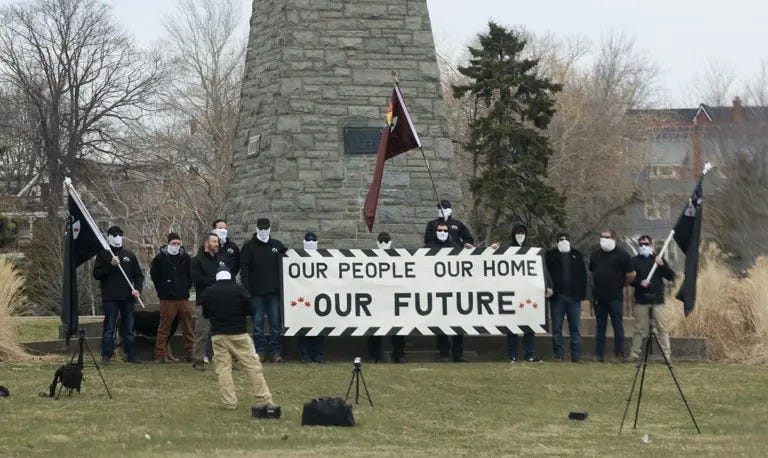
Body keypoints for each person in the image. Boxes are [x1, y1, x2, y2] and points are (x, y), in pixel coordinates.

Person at [201, 267, 278, 411]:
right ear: (230, 276)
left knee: (223, 369)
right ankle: (264, 399)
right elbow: (252, 310)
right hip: (239, 334)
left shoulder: (209, 292)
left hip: (218, 335)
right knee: (252, 367)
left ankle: (229, 402)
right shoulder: (239, 290)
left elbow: (205, 313)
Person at [93, 225, 144, 365]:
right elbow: (97, 274)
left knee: (129, 328)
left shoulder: (129, 255)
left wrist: (138, 289)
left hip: (127, 297)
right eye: (114, 235)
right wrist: (111, 265)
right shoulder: (103, 254)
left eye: (120, 235)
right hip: (110, 297)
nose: (117, 237)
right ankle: (106, 355)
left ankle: (131, 355)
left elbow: (138, 275)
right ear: (109, 237)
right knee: (109, 328)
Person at [241, 217, 288, 362]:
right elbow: (244, 269)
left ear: (269, 228)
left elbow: (287, 265)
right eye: (260, 228)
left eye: (265, 228)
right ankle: (259, 351)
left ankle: (276, 352)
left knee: (275, 325)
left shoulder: (277, 245)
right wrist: (246, 289)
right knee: (258, 325)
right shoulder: (248, 246)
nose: (263, 231)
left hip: (274, 293)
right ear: (256, 229)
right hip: (256, 293)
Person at [505, 223, 552, 363]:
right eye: (517, 232)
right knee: (511, 325)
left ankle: (529, 354)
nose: (520, 235)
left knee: (529, 325)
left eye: (522, 232)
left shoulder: (533, 251)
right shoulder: (506, 250)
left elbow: (542, 269)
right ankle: (511, 355)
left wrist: (548, 285)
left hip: (528, 294)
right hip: (512, 293)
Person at [626, 235, 676, 363]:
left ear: (651, 244)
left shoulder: (658, 260)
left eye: (646, 244)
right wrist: (639, 282)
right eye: (641, 244)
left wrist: (662, 265)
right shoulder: (634, 261)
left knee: (662, 328)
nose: (643, 247)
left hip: (657, 300)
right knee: (638, 328)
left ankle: (666, 355)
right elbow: (630, 280)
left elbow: (671, 276)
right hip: (641, 299)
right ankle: (635, 353)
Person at [589, 229, 636, 362]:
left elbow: (631, 274)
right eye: (602, 237)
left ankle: (619, 354)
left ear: (614, 238)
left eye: (607, 237)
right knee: (600, 326)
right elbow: (592, 271)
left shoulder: (623, 255)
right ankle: (598, 355)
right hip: (599, 296)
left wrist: (622, 284)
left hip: (615, 296)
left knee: (617, 325)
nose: (604, 239)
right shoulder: (595, 254)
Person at [426, 221, 468, 362]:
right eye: (440, 230)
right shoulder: (428, 248)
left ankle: (458, 354)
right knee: (441, 325)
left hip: (455, 292)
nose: (442, 232)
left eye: (445, 230)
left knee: (458, 324)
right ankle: (444, 353)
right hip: (437, 292)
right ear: (435, 231)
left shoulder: (455, 247)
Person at [150, 232, 194, 363]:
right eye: (173, 243)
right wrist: (163, 289)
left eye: (178, 244)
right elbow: (155, 276)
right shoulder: (159, 259)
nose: (176, 246)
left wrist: (185, 287)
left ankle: (190, 352)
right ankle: (160, 353)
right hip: (167, 298)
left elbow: (190, 276)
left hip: (183, 297)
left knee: (187, 326)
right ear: (168, 244)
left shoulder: (186, 258)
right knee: (164, 326)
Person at [545, 231, 587, 362]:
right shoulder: (550, 255)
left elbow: (583, 276)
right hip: (557, 297)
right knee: (556, 328)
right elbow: (546, 273)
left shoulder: (577, 255)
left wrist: (582, 294)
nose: (563, 241)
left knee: (575, 328)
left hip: (574, 298)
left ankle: (576, 355)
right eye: (560, 239)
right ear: (557, 241)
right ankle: (558, 355)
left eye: (566, 239)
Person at [366, 231, 407, 363]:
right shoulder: (371, 258)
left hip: (394, 299)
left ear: (390, 242)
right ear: (377, 242)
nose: (384, 243)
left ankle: (399, 354)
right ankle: (374, 355)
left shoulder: (398, 258)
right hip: (376, 299)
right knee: (374, 329)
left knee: (398, 328)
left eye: (386, 240)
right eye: (381, 240)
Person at [190, 232, 221, 369]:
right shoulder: (197, 261)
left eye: (217, 241)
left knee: (221, 332)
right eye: (214, 241)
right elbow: (198, 280)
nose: (217, 244)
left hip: (219, 301)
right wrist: (215, 281)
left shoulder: (219, 259)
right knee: (202, 331)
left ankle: (221, 360)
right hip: (204, 301)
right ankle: (198, 359)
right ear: (206, 243)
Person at [299, 231, 325, 363]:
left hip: (320, 296)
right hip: (303, 297)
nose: (310, 243)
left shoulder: (323, 257)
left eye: (312, 240)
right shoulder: (297, 258)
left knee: (320, 325)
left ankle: (318, 353)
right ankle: (305, 353)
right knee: (304, 326)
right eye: (308, 240)